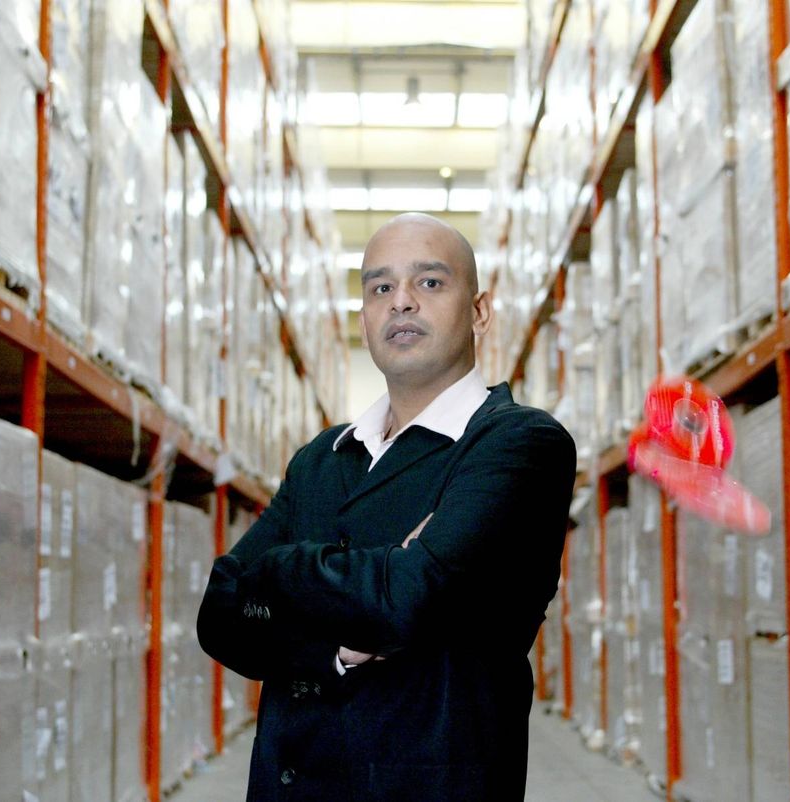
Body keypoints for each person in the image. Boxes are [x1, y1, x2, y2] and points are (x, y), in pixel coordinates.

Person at [198, 212, 576, 800]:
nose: (401, 302)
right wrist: (332, 647)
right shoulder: (321, 458)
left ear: (478, 312)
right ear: (366, 318)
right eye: (381, 288)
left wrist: (277, 574)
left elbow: (407, 599)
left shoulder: (519, 445)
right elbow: (222, 614)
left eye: (429, 282)